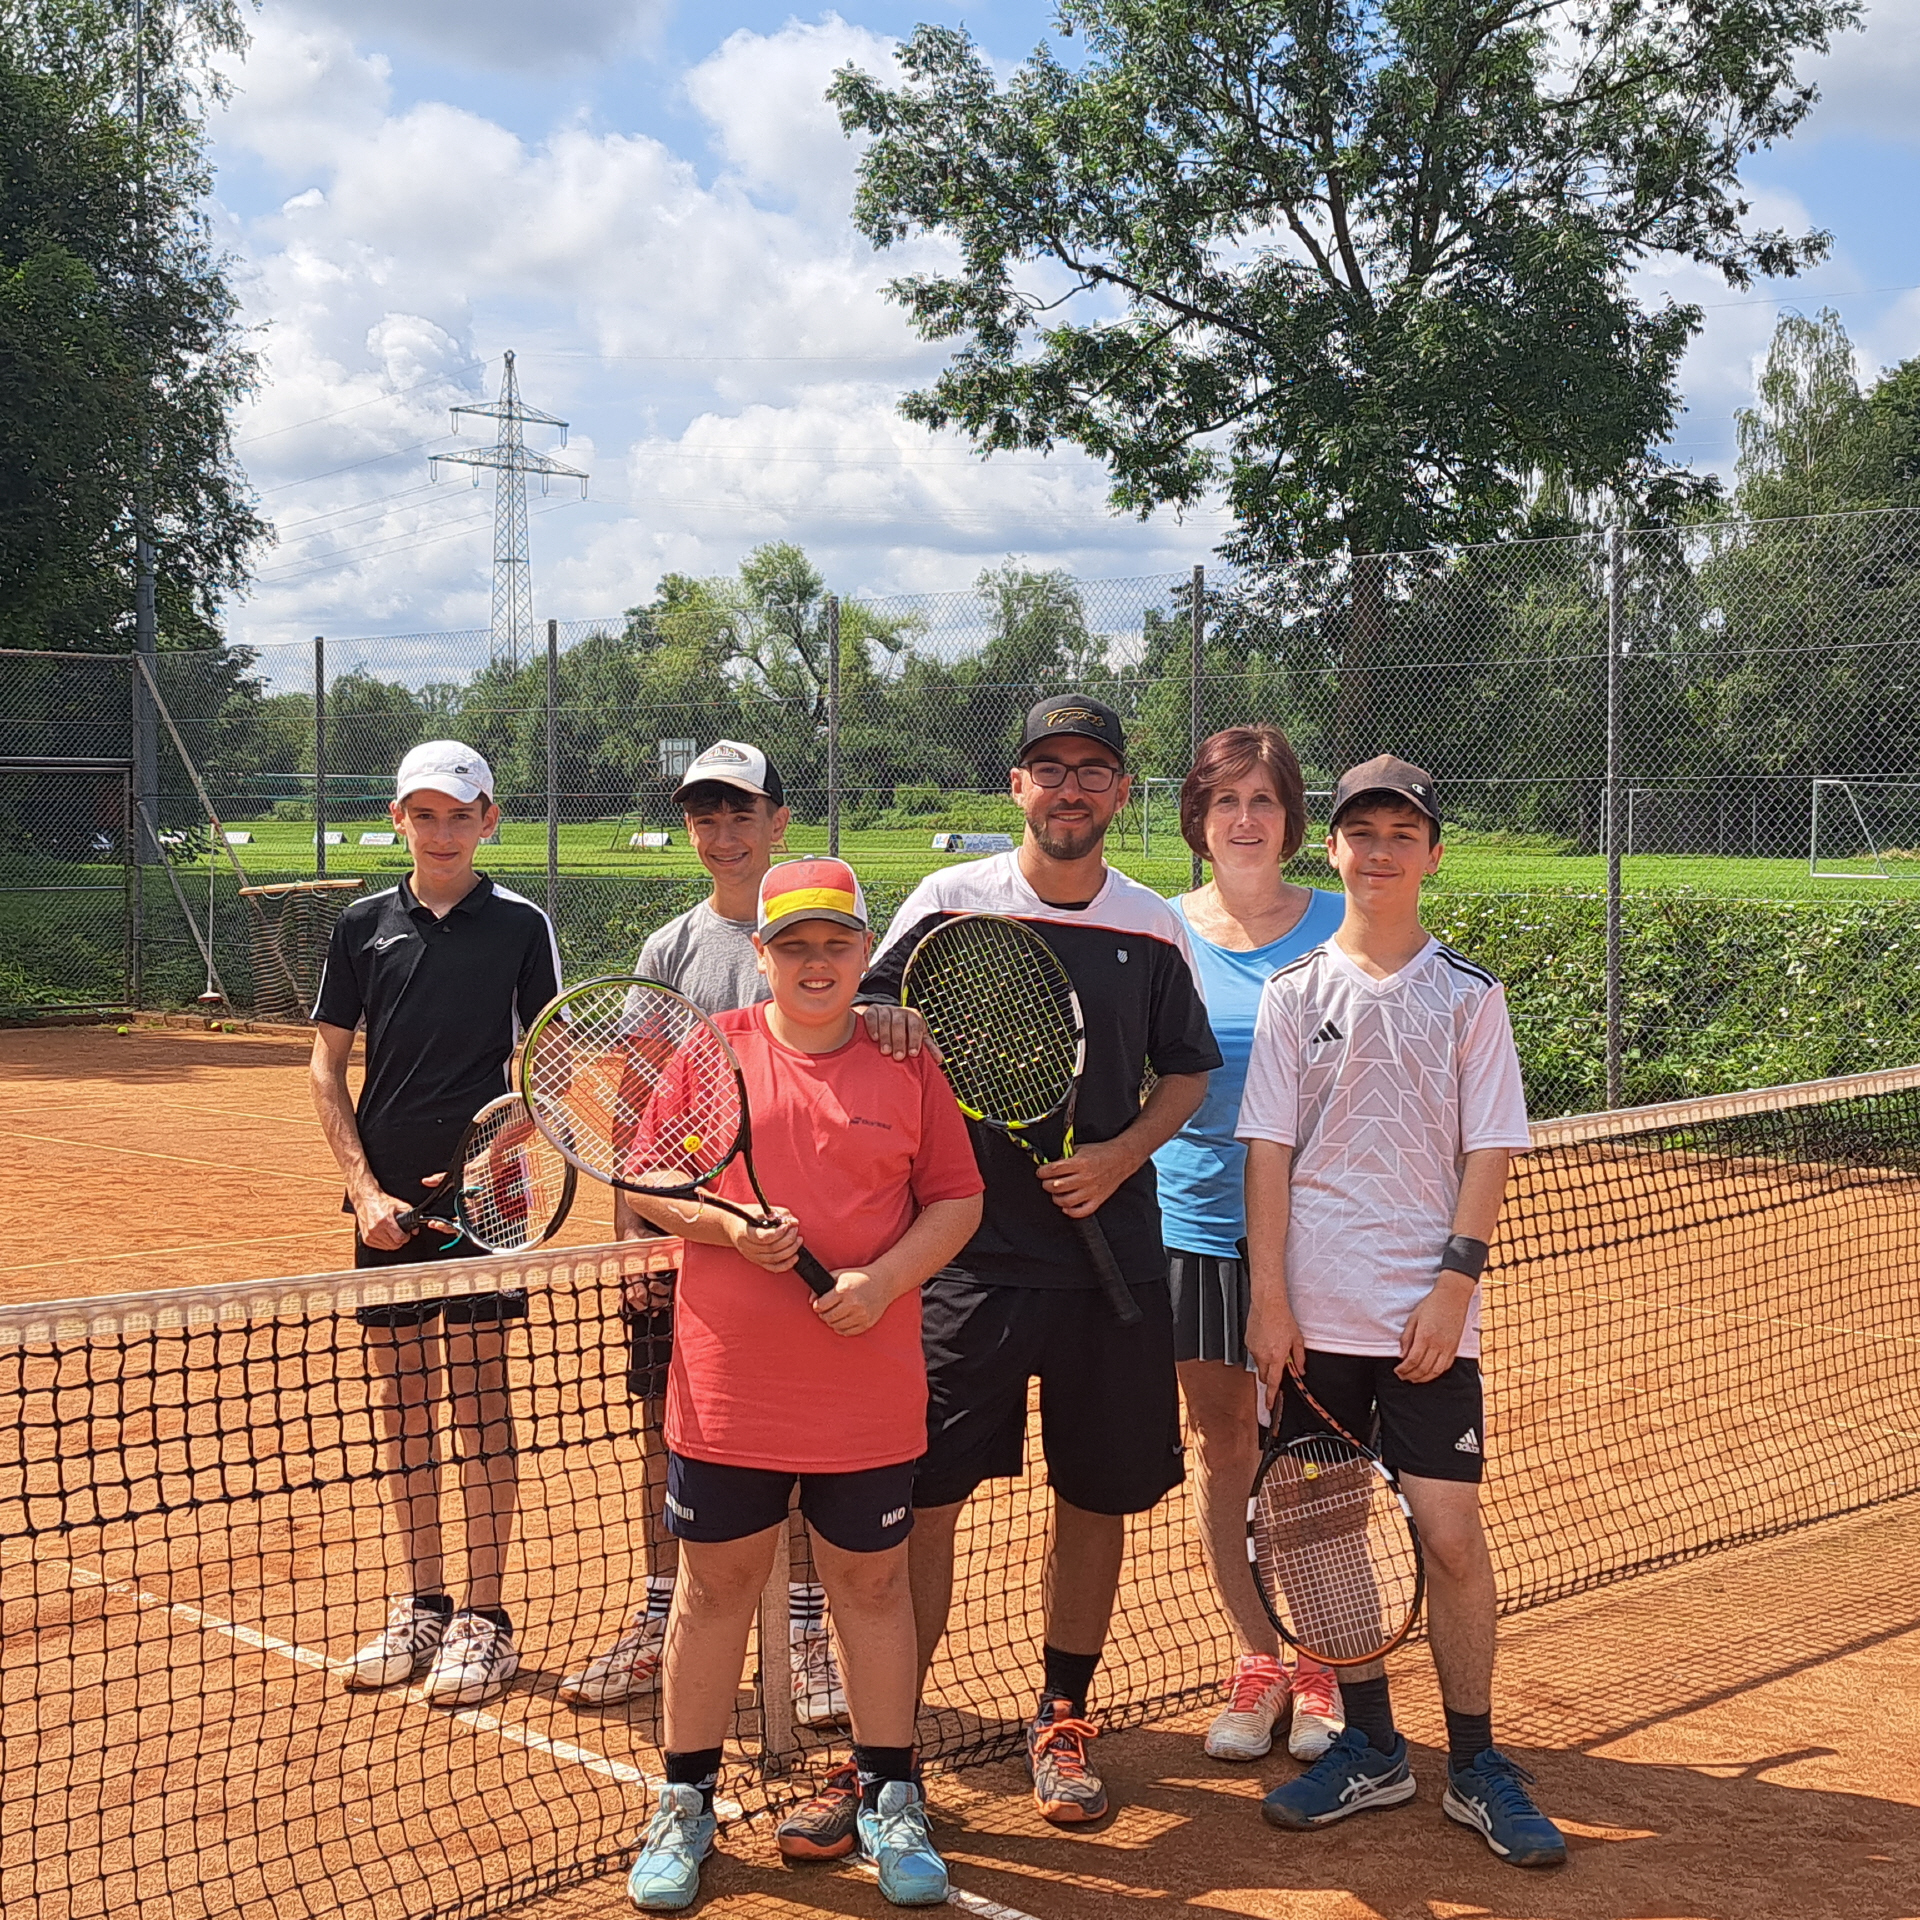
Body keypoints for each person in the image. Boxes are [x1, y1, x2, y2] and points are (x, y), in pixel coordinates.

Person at [860, 694, 1220, 1828]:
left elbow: (1187, 1070)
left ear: (1121, 791)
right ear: (1016, 785)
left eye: (1091, 770)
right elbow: (869, 1012)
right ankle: (886, 1746)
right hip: (961, 1259)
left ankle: (1063, 1714)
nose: (1070, 788)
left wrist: (1117, 1156)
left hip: (1112, 1260)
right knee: (925, 1496)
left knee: (1095, 1495)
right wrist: (890, 1024)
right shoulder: (946, 903)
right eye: (1049, 768)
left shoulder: (1152, 925)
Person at [620, 857, 983, 1911]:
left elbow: (955, 1201)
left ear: (865, 952)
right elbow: (648, 1178)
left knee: (871, 1589)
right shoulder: (713, 1050)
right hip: (731, 1389)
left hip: (866, 1389)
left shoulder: (907, 1061)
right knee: (714, 1590)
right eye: (794, 946)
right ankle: (684, 1802)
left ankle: (891, 1796)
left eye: (835, 944)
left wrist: (882, 1282)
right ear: (762, 954)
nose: (815, 963)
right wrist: (727, 1228)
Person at [562, 740, 926, 1752]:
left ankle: (805, 1635)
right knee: (674, 1441)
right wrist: (636, 1234)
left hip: (831, 1275)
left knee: (820, 1452)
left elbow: (878, 1042)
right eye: (703, 816)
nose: (722, 834)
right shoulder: (670, 948)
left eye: (740, 814)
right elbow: (641, 1109)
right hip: (699, 1266)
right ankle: (660, 1612)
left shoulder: (837, 935)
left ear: (777, 822)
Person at [1237, 755, 1565, 1867]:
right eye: (1361, 833)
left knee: (1451, 1537)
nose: (1379, 851)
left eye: (1401, 834)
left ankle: (1475, 1760)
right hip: (1311, 1322)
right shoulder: (1293, 994)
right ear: (1331, 848)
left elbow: (1490, 1149)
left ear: (1432, 854)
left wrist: (1454, 1286)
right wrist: (1269, 1302)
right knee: (1319, 1535)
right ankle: (1373, 1745)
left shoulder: (1470, 995)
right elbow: (1268, 1153)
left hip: (1428, 1321)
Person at [310, 741, 561, 1707]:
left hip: (486, 1203)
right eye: (425, 815)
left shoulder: (522, 926)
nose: (443, 832)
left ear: (488, 819)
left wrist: (495, 1149)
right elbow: (326, 1067)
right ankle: (422, 1602)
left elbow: (548, 1065)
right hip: (383, 1208)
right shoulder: (361, 928)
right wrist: (365, 1190)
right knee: (402, 1402)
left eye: (460, 815)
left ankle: (485, 1620)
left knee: (481, 1399)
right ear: (398, 818)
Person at [1153, 726, 1348, 1767]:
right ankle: (1258, 1659)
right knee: (1226, 1445)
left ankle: (1325, 1662)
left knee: (1318, 1456)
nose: (1243, 819)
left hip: (1321, 1236)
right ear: (1198, 816)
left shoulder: (1342, 924)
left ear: (1291, 818)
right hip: (1191, 1228)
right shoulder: (1163, 931)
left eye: (1263, 799)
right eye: (1224, 800)